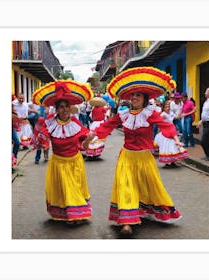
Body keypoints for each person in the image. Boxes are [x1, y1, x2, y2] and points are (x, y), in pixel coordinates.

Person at [86, 67, 183, 235]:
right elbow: (107, 125)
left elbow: (165, 125)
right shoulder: (124, 114)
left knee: (149, 187)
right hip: (127, 157)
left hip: (145, 158)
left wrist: (175, 139)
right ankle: (126, 223)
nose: (135, 98)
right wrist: (91, 135)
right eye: (132, 95)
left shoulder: (150, 113)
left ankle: (144, 210)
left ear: (145, 98)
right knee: (125, 187)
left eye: (138, 95)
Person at [32, 80, 93, 224]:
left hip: (75, 162)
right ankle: (71, 215)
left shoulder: (76, 123)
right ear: (56, 109)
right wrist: (40, 133)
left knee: (75, 189)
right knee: (65, 189)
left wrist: (88, 140)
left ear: (71, 108)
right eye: (61, 107)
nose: (65, 109)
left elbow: (83, 146)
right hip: (59, 164)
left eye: (67, 106)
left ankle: (77, 214)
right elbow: (42, 140)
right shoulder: (50, 123)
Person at [154, 100, 188, 168]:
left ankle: (172, 162)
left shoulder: (171, 113)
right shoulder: (163, 114)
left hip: (171, 131)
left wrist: (181, 113)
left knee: (173, 148)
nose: (168, 108)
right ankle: (167, 163)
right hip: (165, 134)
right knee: (166, 148)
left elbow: (176, 117)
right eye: (166, 107)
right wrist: (164, 127)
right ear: (163, 108)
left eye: (168, 106)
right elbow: (158, 122)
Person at [196, 87, 209, 161]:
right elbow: (205, 114)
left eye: (206, 92)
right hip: (205, 123)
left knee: (204, 141)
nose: (204, 93)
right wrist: (201, 121)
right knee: (207, 140)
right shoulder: (207, 101)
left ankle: (208, 155)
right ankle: (208, 155)